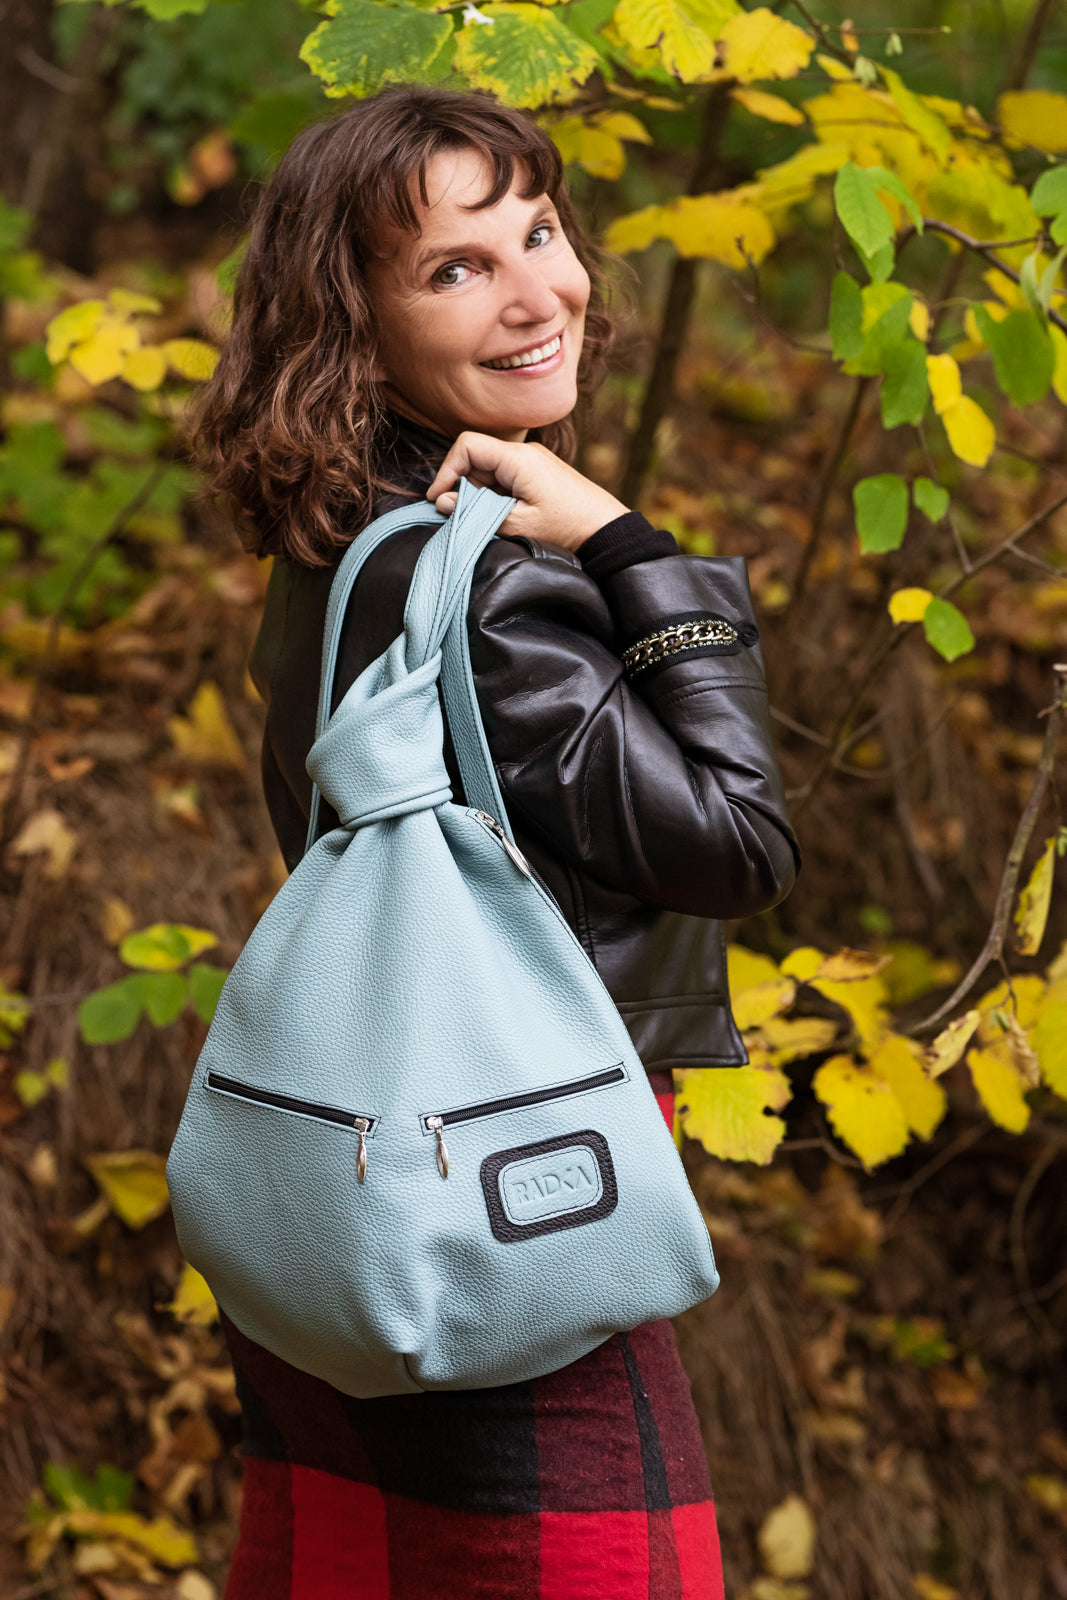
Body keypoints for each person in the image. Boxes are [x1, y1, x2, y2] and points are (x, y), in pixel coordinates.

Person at [195, 83, 798, 1600]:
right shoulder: (500, 587)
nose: (541, 293)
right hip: (515, 1197)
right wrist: (633, 552)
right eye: (459, 267)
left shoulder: (341, 545)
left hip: (355, 1190)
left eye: (539, 230)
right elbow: (738, 841)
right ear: (355, 322)